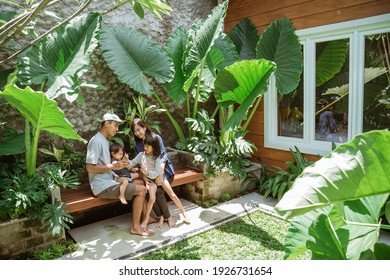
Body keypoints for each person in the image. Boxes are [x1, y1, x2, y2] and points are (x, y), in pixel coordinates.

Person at [86, 113, 154, 236]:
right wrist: (114, 166)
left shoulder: (105, 141)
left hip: (111, 179)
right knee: (142, 190)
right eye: (115, 126)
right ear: (107, 124)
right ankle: (136, 227)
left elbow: (110, 165)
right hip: (102, 186)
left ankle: (146, 217)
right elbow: (90, 168)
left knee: (140, 182)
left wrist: (123, 164)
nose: (117, 129)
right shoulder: (96, 141)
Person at [131, 118, 190, 227]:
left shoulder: (156, 138)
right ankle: (163, 217)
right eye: (135, 131)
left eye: (139, 129)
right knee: (150, 193)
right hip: (150, 175)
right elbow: (141, 164)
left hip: (165, 173)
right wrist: (146, 180)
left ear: (144, 127)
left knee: (158, 192)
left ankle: (171, 216)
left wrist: (160, 175)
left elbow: (163, 158)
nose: (137, 133)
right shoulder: (138, 145)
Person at [127, 133, 161, 231]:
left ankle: (146, 219)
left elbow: (157, 172)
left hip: (152, 181)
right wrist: (126, 162)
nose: (145, 148)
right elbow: (131, 163)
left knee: (152, 198)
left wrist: (147, 172)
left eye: (147, 146)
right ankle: (144, 218)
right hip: (143, 179)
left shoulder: (156, 158)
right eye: (144, 145)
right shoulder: (141, 155)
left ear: (154, 147)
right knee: (136, 187)